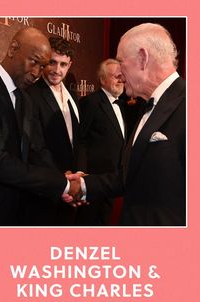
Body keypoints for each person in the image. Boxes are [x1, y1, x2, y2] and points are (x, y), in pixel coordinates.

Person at [65, 23, 186, 227]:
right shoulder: (146, 105)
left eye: (121, 62)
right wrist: (82, 185)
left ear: (142, 58)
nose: (119, 74)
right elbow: (130, 177)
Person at [0, 27, 73, 226]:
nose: (36, 73)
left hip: (21, 212)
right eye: (33, 61)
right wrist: (60, 184)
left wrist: (61, 178)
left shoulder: (25, 97)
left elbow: (35, 149)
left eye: (42, 67)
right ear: (13, 49)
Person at [25, 36, 80, 225]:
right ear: (44, 61)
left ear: (69, 65)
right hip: (46, 189)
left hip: (71, 189)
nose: (58, 70)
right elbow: (35, 145)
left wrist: (77, 178)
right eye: (53, 63)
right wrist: (61, 179)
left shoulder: (73, 96)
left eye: (63, 64)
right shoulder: (31, 94)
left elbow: (77, 141)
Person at [75, 59, 126, 225]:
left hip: (113, 179)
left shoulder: (123, 103)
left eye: (122, 76)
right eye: (116, 76)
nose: (121, 80)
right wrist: (82, 174)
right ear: (103, 80)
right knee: (88, 224)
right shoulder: (91, 102)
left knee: (105, 222)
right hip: (94, 180)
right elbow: (80, 140)